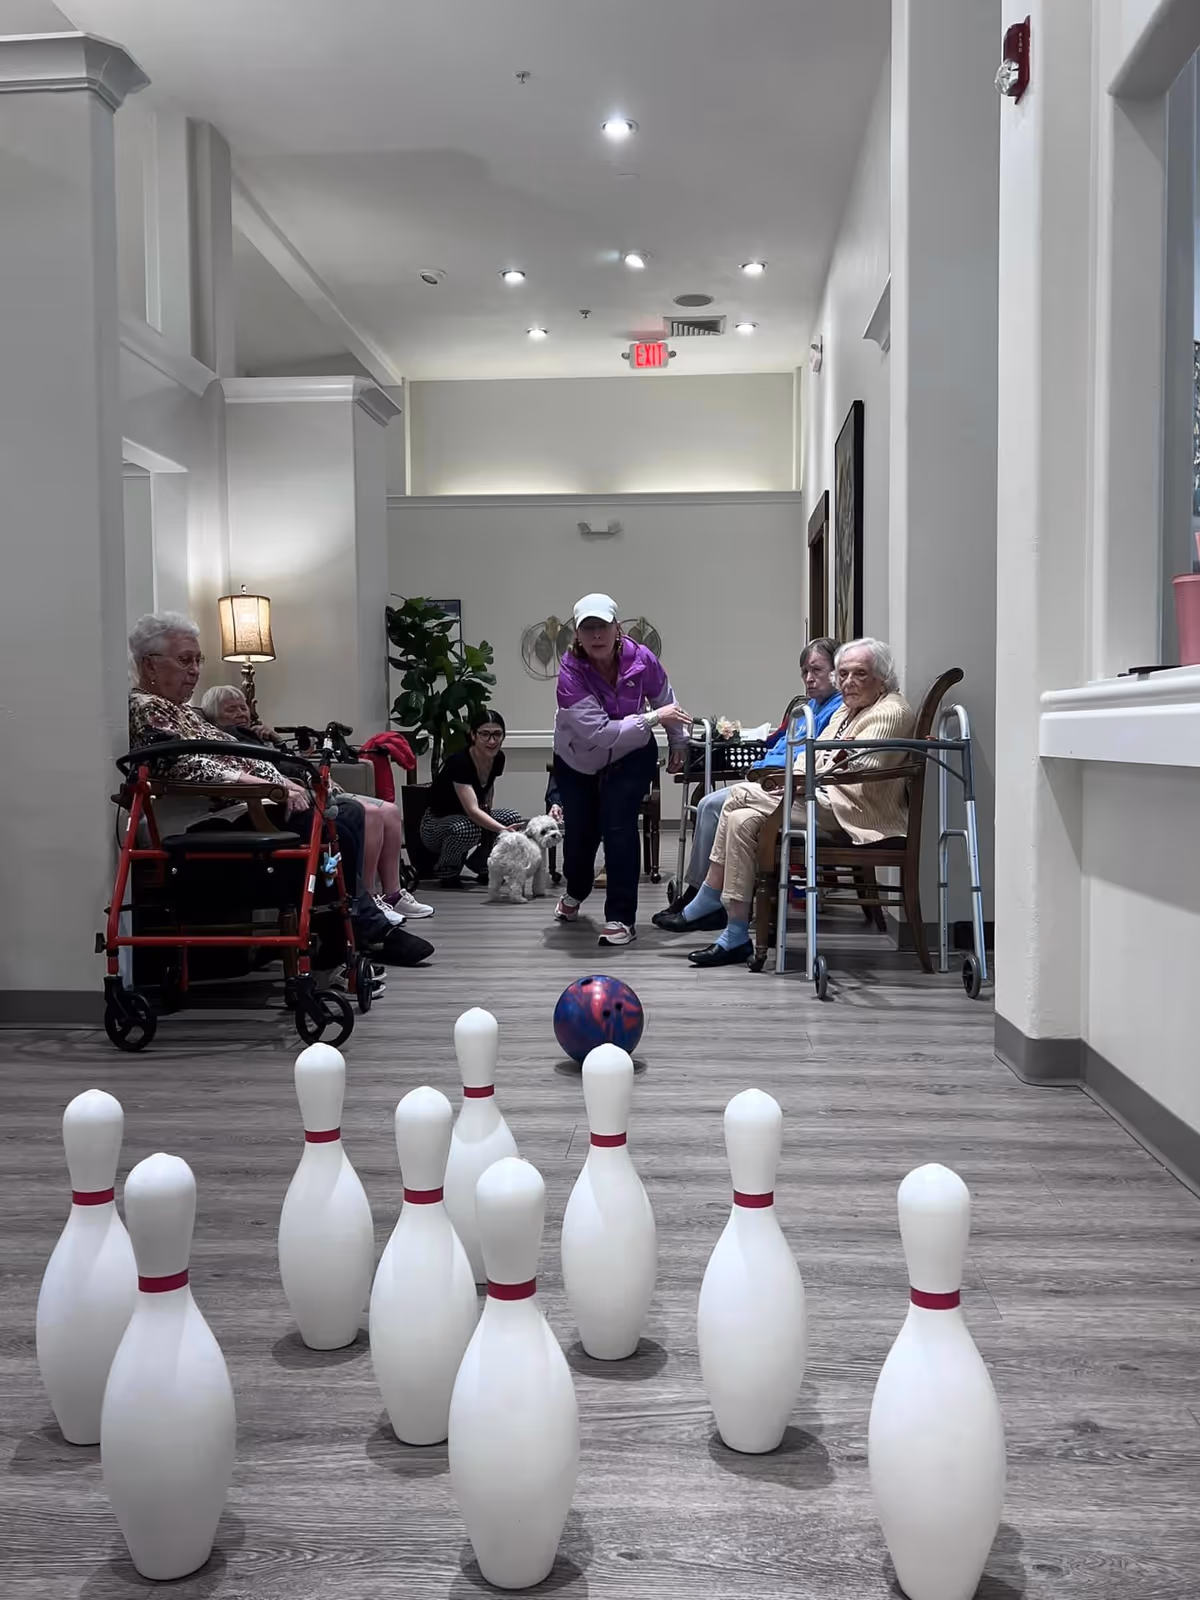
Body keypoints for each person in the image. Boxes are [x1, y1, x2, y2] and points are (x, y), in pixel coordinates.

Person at [127, 613, 434, 967]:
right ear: (150, 666)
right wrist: (268, 785)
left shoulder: (186, 713)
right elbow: (180, 764)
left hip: (232, 810)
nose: (195, 670)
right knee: (322, 820)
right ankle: (358, 932)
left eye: (198, 660)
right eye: (185, 660)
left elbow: (234, 753)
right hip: (196, 823)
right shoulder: (146, 708)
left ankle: (347, 935)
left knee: (344, 815)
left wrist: (284, 779)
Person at [681, 638, 914, 968]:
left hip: (857, 813)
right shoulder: (848, 711)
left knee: (736, 796)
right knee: (740, 819)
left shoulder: (890, 710)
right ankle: (734, 934)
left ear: (882, 678)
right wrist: (797, 777)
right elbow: (814, 756)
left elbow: (855, 768)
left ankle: (708, 896)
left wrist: (793, 780)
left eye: (859, 674)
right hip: (825, 801)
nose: (847, 682)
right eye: (843, 674)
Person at [653, 637, 843, 934]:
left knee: (714, 804)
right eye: (804, 671)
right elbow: (779, 745)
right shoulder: (807, 710)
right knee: (705, 802)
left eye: (816, 670)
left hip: (787, 787)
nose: (808, 678)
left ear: (836, 670)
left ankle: (702, 899)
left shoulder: (836, 709)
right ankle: (699, 894)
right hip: (768, 778)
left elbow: (809, 759)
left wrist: (768, 771)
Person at [201, 684, 433, 922]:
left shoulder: (254, 736)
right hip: (286, 797)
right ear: (213, 717)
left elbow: (288, 763)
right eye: (231, 710)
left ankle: (393, 894)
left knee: (391, 811)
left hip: (309, 789)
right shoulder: (228, 741)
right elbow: (269, 772)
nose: (241, 713)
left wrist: (277, 741)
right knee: (371, 813)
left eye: (243, 707)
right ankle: (370, 899)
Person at [552, 593, 691, 946]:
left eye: (603, 626)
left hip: (630, 754)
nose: (596, 635)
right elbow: (598, 734)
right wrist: (652, 719)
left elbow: (666, 700)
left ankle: (620, 918)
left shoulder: (642, 659)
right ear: (578, 635)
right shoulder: (570, 673)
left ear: (617, 628)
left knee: (619, 828)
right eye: (588, 628)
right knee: (580, 837)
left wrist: (678, 742)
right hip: (578, 759)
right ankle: (576, 890)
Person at [420, 709, 523, 887]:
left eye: (497, 734)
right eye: (485, 734)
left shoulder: (498, 758)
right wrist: (502, 830)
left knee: (511, 817)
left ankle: (483, 864)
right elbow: (472, 810)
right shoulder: (459, 762)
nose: (492, 741)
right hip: (437, 824)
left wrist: (492, 822)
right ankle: (447, 870)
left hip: (468, 819)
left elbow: (488, 790)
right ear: (473, 735)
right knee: (467, 827)